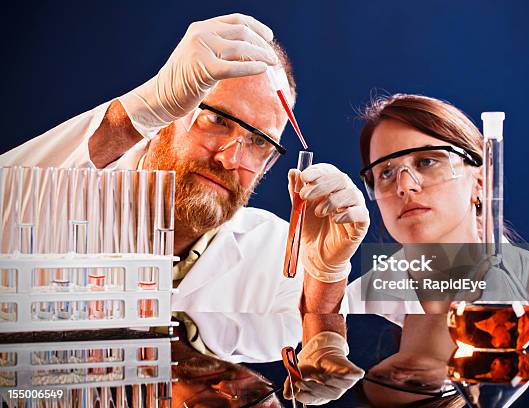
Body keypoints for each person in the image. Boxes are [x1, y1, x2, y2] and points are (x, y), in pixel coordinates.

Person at [0, 14, 369, 361]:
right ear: (167, 112)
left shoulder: (275, 250)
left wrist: (328, 271)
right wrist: (135, 113)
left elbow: (310, 337)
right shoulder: (70, 195)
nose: (230, 158)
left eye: (259, 143)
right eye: (216, 120)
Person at [345, 93, 529, 323]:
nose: (404, 186)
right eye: (386, 173)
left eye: (426, 161)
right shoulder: (352, 305)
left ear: (480, 181)